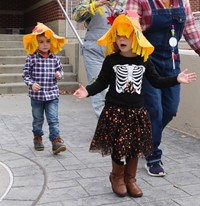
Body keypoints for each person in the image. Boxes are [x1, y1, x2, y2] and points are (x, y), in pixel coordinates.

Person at [73, 13, 196, 197]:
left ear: (136, 38)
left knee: (133, 148)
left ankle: (130, 179)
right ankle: (117, 177)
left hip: (136, 113)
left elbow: (157, 81)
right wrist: (88, 91)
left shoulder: (144, 60)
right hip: (115, 111)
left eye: (127, 35)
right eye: (119, 35)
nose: (122, 39)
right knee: (117, 146)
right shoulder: (112, 60)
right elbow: (101, 82)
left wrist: (175, 79)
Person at [126, 0, 200, 177]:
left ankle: (144, 138)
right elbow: (130, 27)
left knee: (170, 109)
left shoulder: (183, 2)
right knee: (155, 111)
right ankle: (152, 155)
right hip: (146, 61)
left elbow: (190, 30)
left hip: (172, 63)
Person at [72, 0, 127, 118]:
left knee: (119, 90)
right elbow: (76, 16)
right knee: (99, 91)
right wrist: (93, 6)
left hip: (116, 51)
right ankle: (105, 131)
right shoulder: (90, 1)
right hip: (94, 52)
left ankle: (117, 126)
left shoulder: (123, 2)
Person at [22, 22, 67, 155]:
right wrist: (31, 83)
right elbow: (25, 75)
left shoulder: (55, 59)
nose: (45, 44)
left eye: (48, 41)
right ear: (36, 43)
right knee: (38, 119)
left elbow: (60, 71)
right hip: (37, 97)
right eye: (41, 42)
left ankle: (56, 141)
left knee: (53, 119)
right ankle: (37, 137)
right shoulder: (31, 58)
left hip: (52, 95)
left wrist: (59, 75)